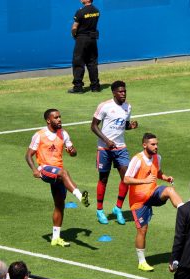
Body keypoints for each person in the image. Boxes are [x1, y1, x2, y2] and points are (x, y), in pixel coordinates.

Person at [25, 109, 90, 247]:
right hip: (45, 169)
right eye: (56, 118)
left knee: (59, 205)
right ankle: (80, 197)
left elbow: (73, 151)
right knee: (63, 173)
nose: (59, 119)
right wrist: (34, 170)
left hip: (57, 172)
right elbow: (28, 155)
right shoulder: (39, 135)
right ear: (49, 120)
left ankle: (55, 238)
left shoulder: (63, 134)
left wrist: (73, 152)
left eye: (60, 117)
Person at [124, 133, 183, 271]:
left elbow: (158, 172)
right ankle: (142, 261)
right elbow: (126, 179)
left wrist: (166, 177)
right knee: (142, 230)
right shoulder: (137, 160)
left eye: (157, 144)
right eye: (153, 144)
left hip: (153, 192)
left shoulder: (158, 157)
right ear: (145, 145)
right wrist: (144, 180)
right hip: (139, 200)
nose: (156, 147)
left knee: (169, 190)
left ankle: (185, 211)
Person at [91, 80, 139, 225]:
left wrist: (131, 126)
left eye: (124, 91)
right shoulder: (104, 106)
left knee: (127, 178)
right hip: (104, 149)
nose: (123, 94)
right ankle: (100, 210)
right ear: (114, 93)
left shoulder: (128, 107)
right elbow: (93, 126)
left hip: (120, 148)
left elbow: (123, 126)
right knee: (103, 179)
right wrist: (106, 140)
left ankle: (118, 208)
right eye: (120, 91)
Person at [69, 0, 100, 93]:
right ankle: (95, 87)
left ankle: (78, 87)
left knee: (78, 62)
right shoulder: (96, 10)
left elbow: (74, 27)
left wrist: (73, 34)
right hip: (93, 39)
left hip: (82, 39)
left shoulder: (80, 11)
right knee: (92, 63)